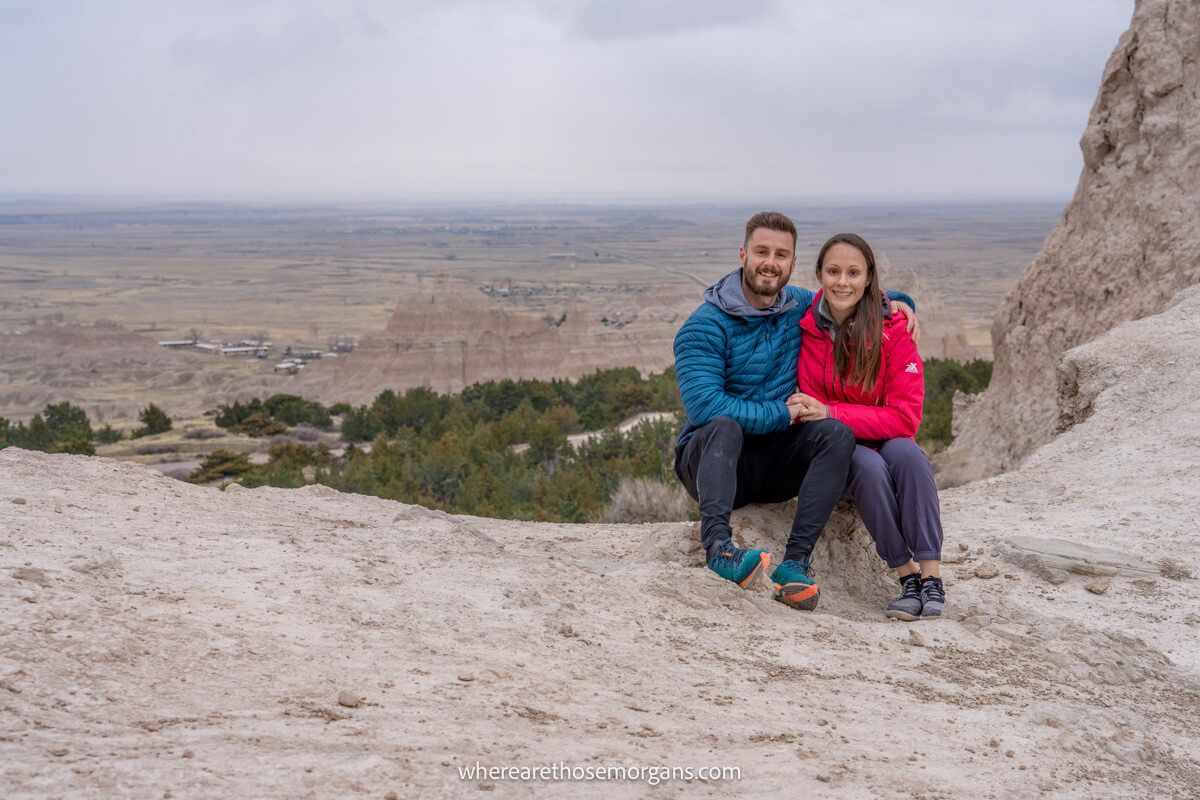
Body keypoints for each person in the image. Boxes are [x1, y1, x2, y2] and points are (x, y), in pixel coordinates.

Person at [673, 212, 918, 611]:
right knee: (724, 425)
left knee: (835, 431)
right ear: (743, 254)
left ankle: (796, 564)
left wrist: (902, 305)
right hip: (714, 463)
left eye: (781, 255)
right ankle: (719, 549)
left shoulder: (798, 305)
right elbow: (704, 406)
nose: (771, 262)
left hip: (774, 463)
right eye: (762, 251)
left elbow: (850, 294)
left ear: (792, 264)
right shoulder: (704, 326)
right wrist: (781, 414)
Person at [789, 232, 945, 619]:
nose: (843, 282)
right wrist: (829, 417)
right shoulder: (804, 323)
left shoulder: (894, 329)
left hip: (881, 435)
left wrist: (833, 411)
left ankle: (932, 575)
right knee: (870, 466)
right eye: (833, 271)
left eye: (853, 272)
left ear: (869, 278)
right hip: (836, 450)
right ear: (820, 276)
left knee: (908, 454)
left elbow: (906, 417)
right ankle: (905, 575)